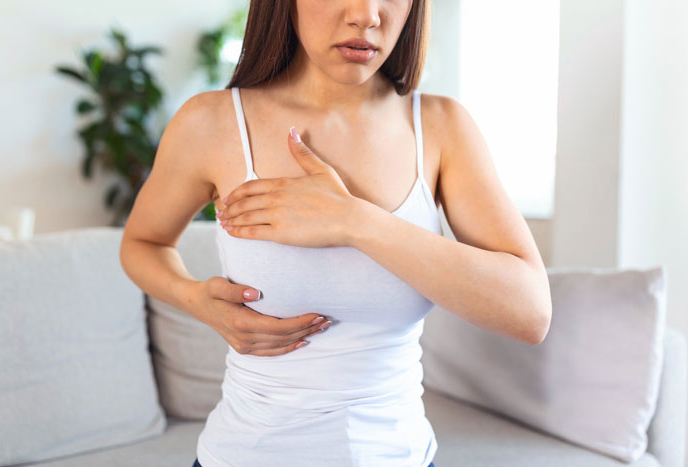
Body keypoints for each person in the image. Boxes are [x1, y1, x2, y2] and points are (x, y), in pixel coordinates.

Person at [119, 0, 552, 465]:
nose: (367, 14)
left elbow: (528, 313)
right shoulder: (212, 122)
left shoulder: (442, 128)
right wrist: (196, 301)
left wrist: (354, 221)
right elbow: (143, 243)